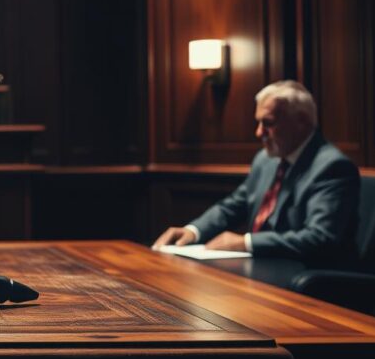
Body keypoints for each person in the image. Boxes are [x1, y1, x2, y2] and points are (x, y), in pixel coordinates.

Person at [153, 80, 359, 262]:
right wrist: (193, 231)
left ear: (302, 122)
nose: (259, 132)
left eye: (268, 123)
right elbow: (234, 206)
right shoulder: (266, 160)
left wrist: (247, 242)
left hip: (308, 276)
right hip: (261, 267)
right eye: (258, 122)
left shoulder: (332, 167)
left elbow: (319, 238)